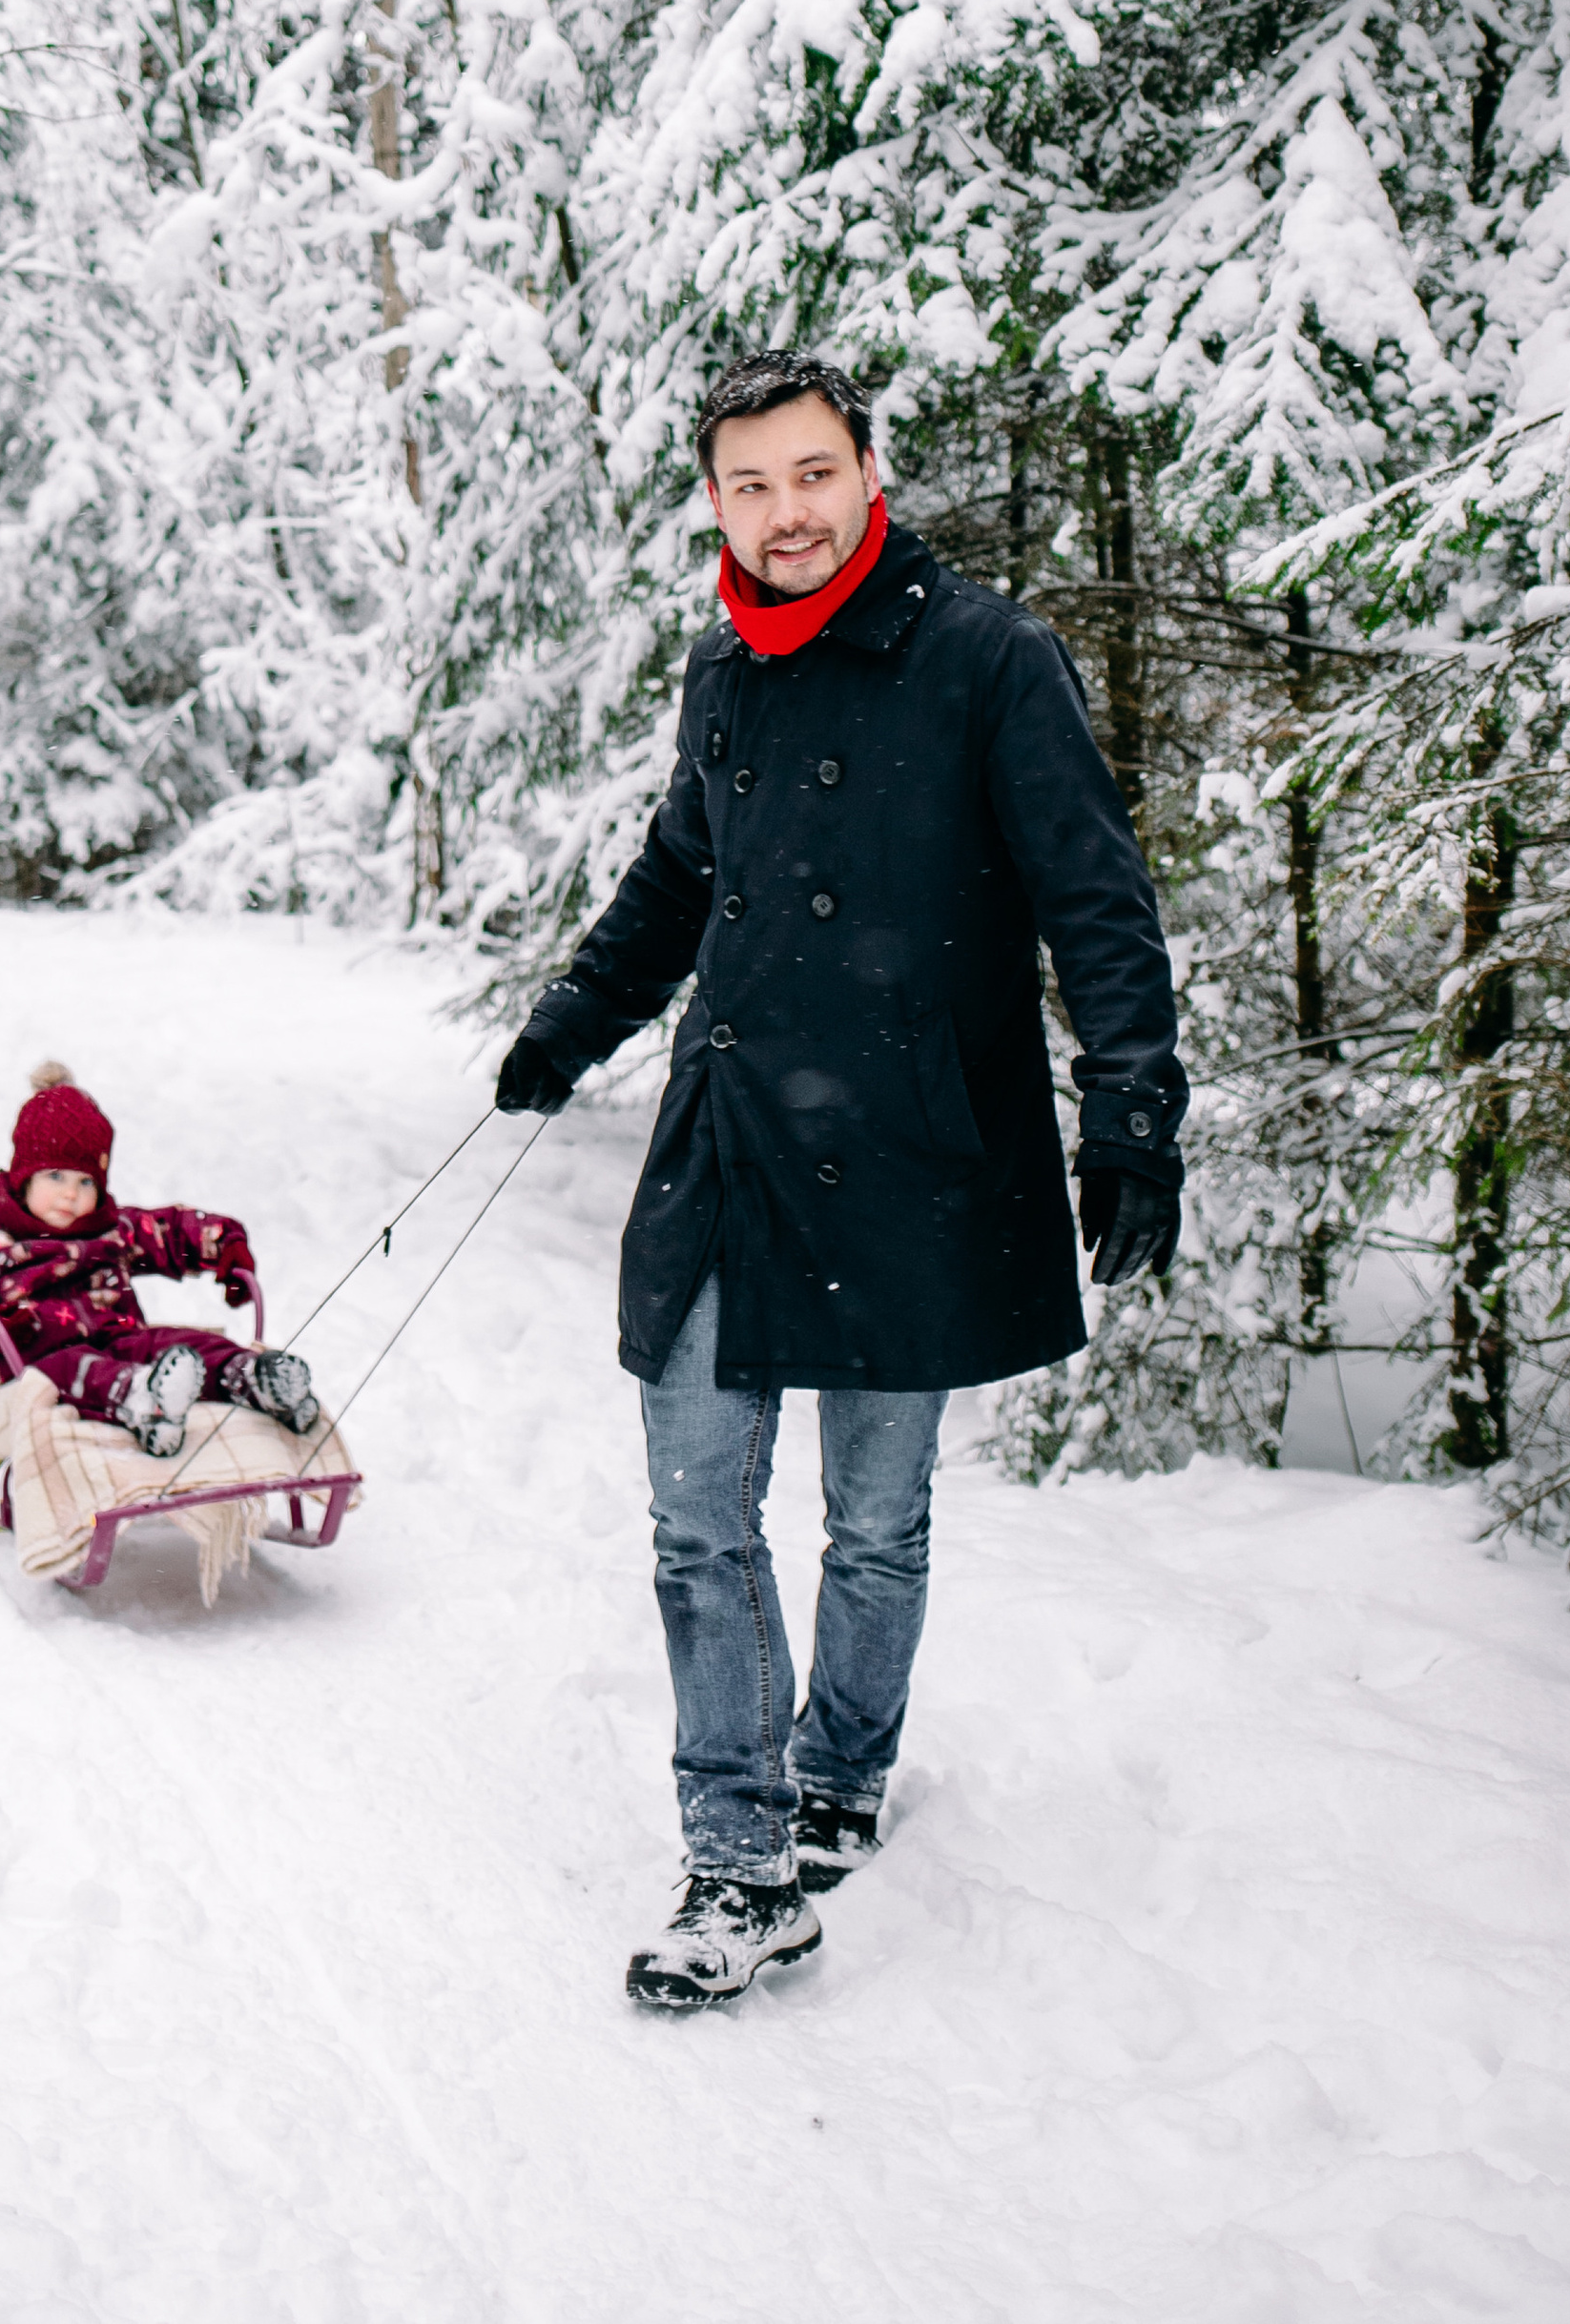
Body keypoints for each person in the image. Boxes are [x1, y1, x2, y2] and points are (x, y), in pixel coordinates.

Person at [494, 350, 1188, 2012]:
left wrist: (1134, 1107)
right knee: (694, 1520)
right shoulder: (724, 667)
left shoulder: (990, 659)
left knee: (875, 1520)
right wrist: (576, 1019)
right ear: (717, 500)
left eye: (813, 474)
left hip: (912, 1152)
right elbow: (683, 872)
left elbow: (1096, 896)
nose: (786, 512)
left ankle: (841, 1772)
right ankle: (737, 1862)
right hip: (732, 1142)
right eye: (751, 484)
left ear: (868, 469)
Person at [0, 1068, 320, 1458]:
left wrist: (224, 1245)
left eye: (85, 1182)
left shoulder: (106, 1229)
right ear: (24, 1176)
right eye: (56, 1177)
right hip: (32, 1365)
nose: (70, 1195)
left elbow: (168, 1229)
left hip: (118, 1343)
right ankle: (142, 1400)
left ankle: (253, 1378)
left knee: (177, 1345)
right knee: (74, 1368)